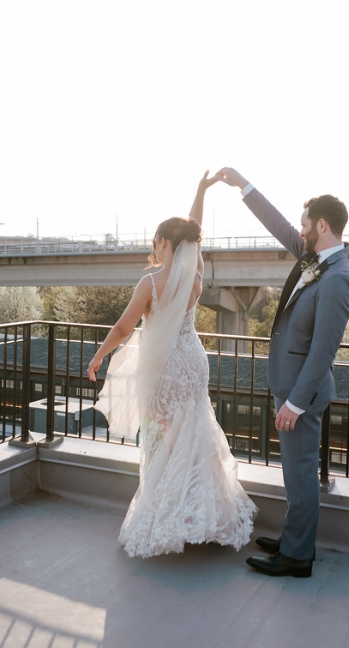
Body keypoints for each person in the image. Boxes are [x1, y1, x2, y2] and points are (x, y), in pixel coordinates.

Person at [89, 171, 258, 558]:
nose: (154, 244)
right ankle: (204, 517)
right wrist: (201, 191)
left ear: (164, 243)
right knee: (195, 434)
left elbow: (121, 328)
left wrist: (99, 356)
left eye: (156, 240)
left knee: (162, 442)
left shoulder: (151, 284)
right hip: (193, 361)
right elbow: (194, 234)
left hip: (164, 368)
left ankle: (167, 518)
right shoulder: (193, 277)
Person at [214, 167, 349, 579]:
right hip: (291, 386)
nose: (300, 229)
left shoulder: (338, 278)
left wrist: (295, 401)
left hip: (302, 393)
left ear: (322, 226)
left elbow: (323, 350)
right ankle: (295, 539)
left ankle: (296, 557)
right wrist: (244, 186)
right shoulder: (314, 258)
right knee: (295, 474)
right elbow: (277, 223)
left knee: (301, 475)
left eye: (306, 224)